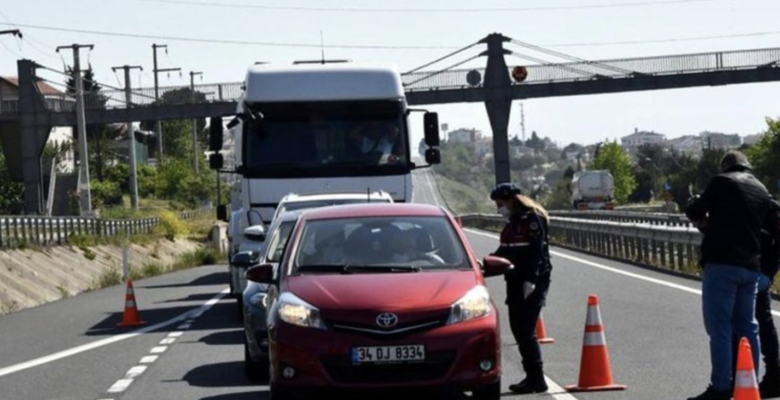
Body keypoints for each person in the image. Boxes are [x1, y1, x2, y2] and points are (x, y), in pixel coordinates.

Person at [685, 151, 780, 400]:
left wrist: (702, 218)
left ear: (725, 166)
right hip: (751, 268)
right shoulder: (761, 190)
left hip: (722, 265)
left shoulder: (722, 182)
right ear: (747, 166)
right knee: (749, 327)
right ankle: (747, 384)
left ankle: (721, 387)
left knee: (720, 329)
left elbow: (695, 211)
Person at [488, 182, 553, 394]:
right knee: (518, 328)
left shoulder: (532, 219)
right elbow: (504, 251)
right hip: (514, 280)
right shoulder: (512, 222)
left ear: (510, 200)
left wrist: (531, 280)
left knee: (526, 330)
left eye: (500, 204)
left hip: (532, 280)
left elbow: (537, 252)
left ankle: (537, 378)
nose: (499, 208)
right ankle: (532, 377)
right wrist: (483, 265)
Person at [757, 198, 780, 398]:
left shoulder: (769, 207)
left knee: (763, 325)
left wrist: (768, 273)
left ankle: (774, 374)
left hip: (757, 272)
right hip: (753, 271)